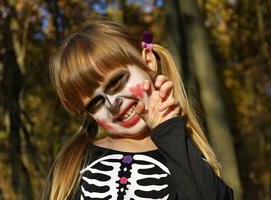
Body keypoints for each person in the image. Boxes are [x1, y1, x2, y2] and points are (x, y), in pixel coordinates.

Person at [43, 19, 233, 200]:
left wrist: (168, 129)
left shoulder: (185, 155)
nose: (112, 103)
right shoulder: (70, 165)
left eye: (117, 81)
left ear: (148, 62)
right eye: (96, 103)